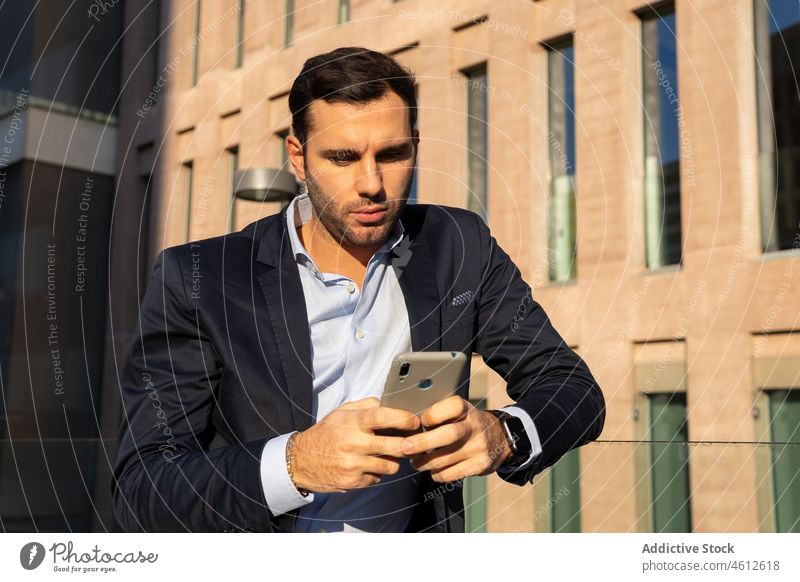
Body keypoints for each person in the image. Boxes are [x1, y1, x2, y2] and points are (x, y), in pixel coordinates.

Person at [112, 46, 605, 533]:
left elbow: (573, 388)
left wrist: (504, 434)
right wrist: (294, 464)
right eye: (343, 158)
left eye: (392, 154)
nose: (372, 184)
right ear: (299, 158)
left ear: (415, 144)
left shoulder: (459, 245)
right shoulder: (199, 278)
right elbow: (144, 489)